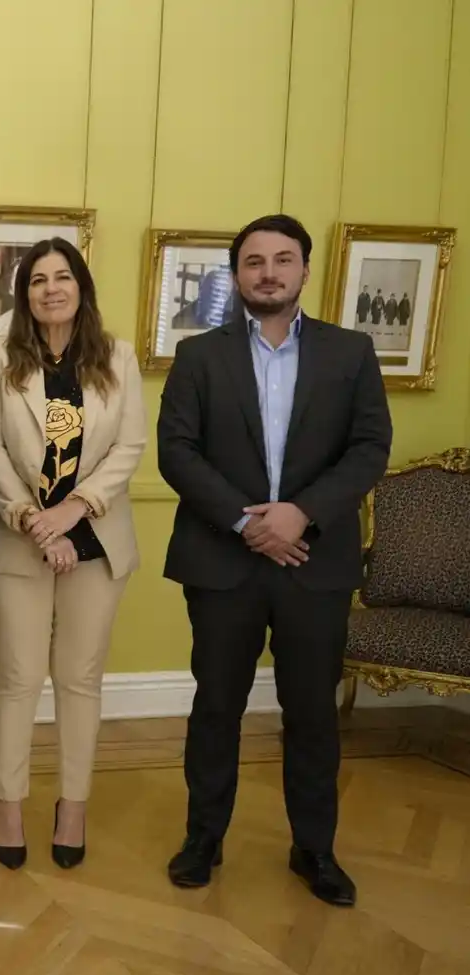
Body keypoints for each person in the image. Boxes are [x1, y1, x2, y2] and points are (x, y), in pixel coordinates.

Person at [157, 214, 391, 906]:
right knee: (217, 708)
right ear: (237, 276)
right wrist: (246, 521)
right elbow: (177, 450)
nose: (268, 272)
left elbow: (369, 448)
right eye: (254, 262)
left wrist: (300, 514)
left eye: (282, 260)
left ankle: (314, 849)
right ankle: (204, 839)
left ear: (305, 271)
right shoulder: (200, 355)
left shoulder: (351, 353)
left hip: (313, 564)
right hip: (222, 562)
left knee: (312, 712)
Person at [0, 238, 146, 871]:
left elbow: (129, 447)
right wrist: (33, 520)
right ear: (24, 295)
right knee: (18, 676)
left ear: (81, 286)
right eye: (37, 279)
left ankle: (73, 803)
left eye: (62, 277)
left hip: (95, 538)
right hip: (18, 534)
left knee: (79, 678)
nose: (50, 288)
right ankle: (9, 802)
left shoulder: (117, 357)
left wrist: (73, 515)